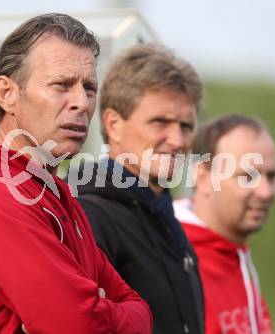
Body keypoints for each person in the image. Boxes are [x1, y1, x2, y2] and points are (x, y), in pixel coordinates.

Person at [0, 13, 152, 333]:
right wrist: (108, 310)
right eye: (61, 85)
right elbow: (80, 327)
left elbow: (138, 307)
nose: (81, 102)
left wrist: (107, 311)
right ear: (7, 94)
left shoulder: (50, 190)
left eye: (89, 88)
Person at [72, 43, 204, 334]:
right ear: (114, 125)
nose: (177, 139)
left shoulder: (166, 219)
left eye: (186, 126)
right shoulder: (89, 218)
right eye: (161, 122)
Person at [173, 114, 275, 334]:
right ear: (203, 177)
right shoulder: (173, 258)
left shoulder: (235, 253)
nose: (266, 192)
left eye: (271, 176)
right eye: (247, 176)